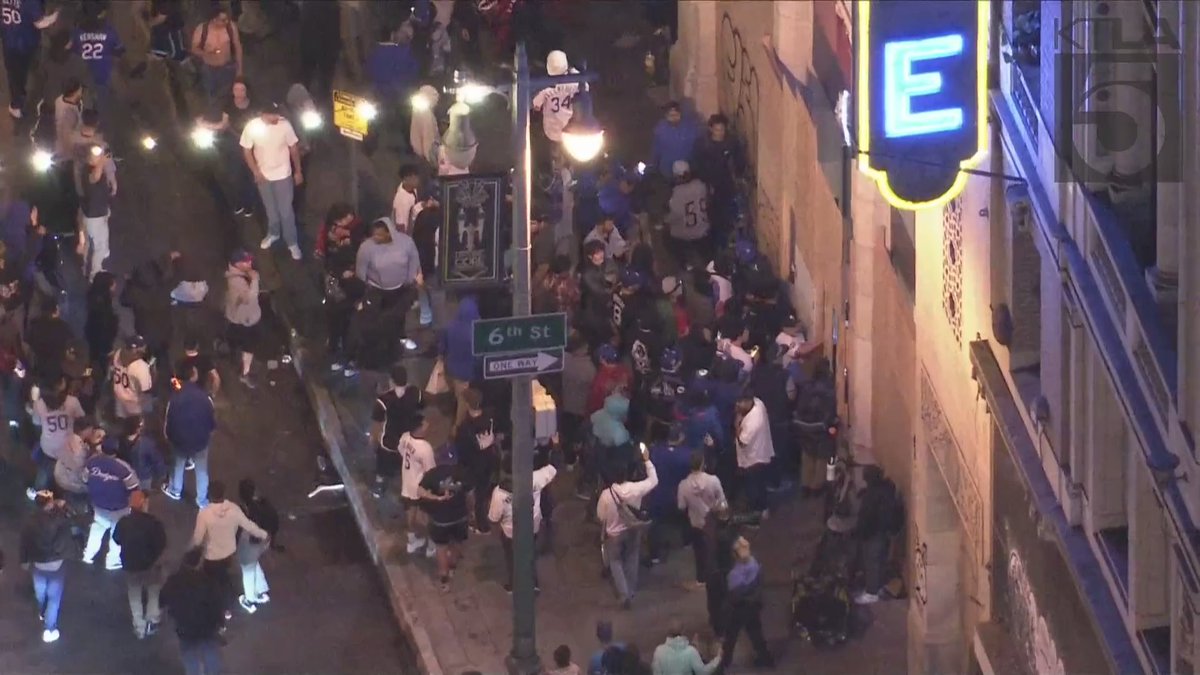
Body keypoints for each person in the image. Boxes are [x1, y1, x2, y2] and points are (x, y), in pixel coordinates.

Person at [190, 481, 267, 618]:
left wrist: (191, 549)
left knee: (213, 582)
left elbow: (197, 538)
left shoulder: (204, 514)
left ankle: (218, 607)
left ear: (209, 495)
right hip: (229, 553)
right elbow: (249, 525)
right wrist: (263, 534)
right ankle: (227, 609)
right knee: (224, 579)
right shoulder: (234, 509)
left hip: (211, 556)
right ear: (224, 494)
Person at [596, 444, 659, 608]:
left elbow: (600, 516)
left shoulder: (606, 495)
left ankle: (624, 595)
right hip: (633, 529)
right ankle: (631, 590)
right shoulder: (635, 488)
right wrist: (647, 460)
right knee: (632, 558)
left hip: (614, 535)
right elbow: (654, 480)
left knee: (615, 562)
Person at [241, 103, 303, 260]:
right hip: (264, 176)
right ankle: (274, 233)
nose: (277, 117)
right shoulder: (252, 127)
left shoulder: (285, 125)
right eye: (273, 115)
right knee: (271, 209)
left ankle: (292, 242)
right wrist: (256, 171)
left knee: (286, 212)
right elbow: (247, 150)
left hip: (283, 175)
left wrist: (298, 171)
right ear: (264, 114)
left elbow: (294, 148)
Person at [488, 451, 556, 592]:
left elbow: (494, 517)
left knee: (512, 559)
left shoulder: (500, 493)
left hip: (511, 532)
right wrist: (555, 446)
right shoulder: (535, 478)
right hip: (532, 527)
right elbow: (552, 469)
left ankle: (514, 585)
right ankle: (533, 583)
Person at [355, 218, 423, 353]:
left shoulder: (406, 243)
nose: (376, 237)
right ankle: (379, 344)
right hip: (376, 289)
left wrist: (410, 280)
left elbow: (413, 261)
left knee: (399, 316)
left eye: (379, 234)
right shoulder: (366, 248)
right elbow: (361, 269)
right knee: (377, 317)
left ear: (389, 233)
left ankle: (401, 338)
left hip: (400, 288)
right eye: (374, 234)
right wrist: (364, 286)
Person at [161, 548, 226, 675]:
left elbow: (162, 600)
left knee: (190, 658)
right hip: (207, 627)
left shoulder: (173, 580)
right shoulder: (208, 581)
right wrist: (220, 622)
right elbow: (217, 604)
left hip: (185, 627)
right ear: (200, 562)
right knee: (211, 653)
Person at [112, 490, 167, 639]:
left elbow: (116, 538)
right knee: (153, 591)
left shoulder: (124, 522)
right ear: (144, 504)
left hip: (130, 565)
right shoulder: (154, 523)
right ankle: (152, 619)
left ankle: (139, 626)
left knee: (134, 594)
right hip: (151, 565)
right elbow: (162, 543)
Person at [317, 203, 364, 374]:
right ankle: (337, 354)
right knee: (337, 325)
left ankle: (347, 358)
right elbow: (329, 264)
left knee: (349, 329)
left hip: (349, 293)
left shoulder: (356, 230)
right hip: (338, 294)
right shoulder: (332, 243)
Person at [19, 490, 72, 642]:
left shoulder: (30, 522)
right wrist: (62, 507)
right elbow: (69, 523)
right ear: (49, 502)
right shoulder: (59, 518)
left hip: (38, 563)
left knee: (40, 591)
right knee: (54, 598)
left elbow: (24, 543)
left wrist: (24, 561)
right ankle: (49, 629)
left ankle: (42, 612)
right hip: (56, 563)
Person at [163, 360, 216, 505]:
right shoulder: (206, 398)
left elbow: (169, 424)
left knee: (178, 465)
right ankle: (202, 499)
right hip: (200, 441)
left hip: (180, 442)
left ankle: (175, 490)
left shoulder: (174, 399)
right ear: (194, 376)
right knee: (202, 470)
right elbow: (211, 423)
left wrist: (170, 439)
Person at [81, 436, 138, 569]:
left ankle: (88, 555)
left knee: (97, 529)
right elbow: (134, 487)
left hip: (98, 505)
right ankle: (112, 561)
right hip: (120, 508)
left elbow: (84, 479)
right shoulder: (123, 467)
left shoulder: (92, 462)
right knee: (116, 533)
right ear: (116, 449)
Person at [369, 364, 425, 497]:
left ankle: (379, 486)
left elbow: (377, 425)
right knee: (405, 464)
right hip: (408, 439)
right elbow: (421, 407)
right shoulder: (415, 393)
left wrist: (373, 439)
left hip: (389, 442)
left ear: (391, 380)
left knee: (382, 466)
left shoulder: (383, 401)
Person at [719, 536, 774, 669]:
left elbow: (734, 596)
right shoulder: (754, 564)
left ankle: (723, 664)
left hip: (739, 608)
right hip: (753, 605)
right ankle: (766, 660)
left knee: (731, 636)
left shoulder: (734, 575)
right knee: (756, 634)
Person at [419, 453, 471, 592]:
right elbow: (470, 494)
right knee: (458, 542)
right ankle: (452, 566)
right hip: (460, 516)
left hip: (441, 519)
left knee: (441, 548)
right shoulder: (462, 473)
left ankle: (444, 579)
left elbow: (420, 491)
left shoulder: (433, 474)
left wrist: (435, 498)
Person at [26, 377, 84, 498]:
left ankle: (38, 493)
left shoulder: (39, 403)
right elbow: (80, 417)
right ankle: (63, 494)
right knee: (66, 472)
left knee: (45, 471)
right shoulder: (72, 401)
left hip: (49, 447)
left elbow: (36, 422)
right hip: (68, 448)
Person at [677, 449, 726, 589]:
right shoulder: (713, 480)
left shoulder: (683, 485)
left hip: (696, 523)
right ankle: (718, 576)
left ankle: (701, 579)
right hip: (713, 520)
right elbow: (722, 501)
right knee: (715, 549)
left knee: (699, 553)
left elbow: (681, 506)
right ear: (703, 463)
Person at [646, 425, 694, 566]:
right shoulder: (687, 455)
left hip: (659, 496)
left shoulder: (655, 452)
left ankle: (654, 555)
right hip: (680, 496)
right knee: (686, 518)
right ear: (680, 437)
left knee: (655, 525)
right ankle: (687, 542)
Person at [1, 0, 58, 118]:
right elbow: (39, 23)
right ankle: (18, 104)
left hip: (9, 40)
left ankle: (17, 103)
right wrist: (55, 16)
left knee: (14, 75)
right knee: (22, 74)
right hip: (26, 42)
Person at [853, 465, 900, 605]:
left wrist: (860, 531)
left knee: (872, 562)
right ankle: (877, 588)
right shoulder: (886, 490)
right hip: (883, 532)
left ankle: (871, 593)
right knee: (880, 561)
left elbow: (868, 516)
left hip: (873, 533)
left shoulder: (873, 495)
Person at [455, 387, 499, 533]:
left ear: (468, 404)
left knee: (478, 496)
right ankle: (493, 510)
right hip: (491, 460)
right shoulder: (490, 416)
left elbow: (462, 450)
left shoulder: (465, 427)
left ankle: (482, 526)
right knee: (487, 489)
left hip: (475, 466)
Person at [236, 478, 278, 612]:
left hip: (251, 542)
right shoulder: (264, 504)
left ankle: (250, 599)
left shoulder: (244, 510)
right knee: (254, 562)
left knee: (247, 568)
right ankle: (260, 590)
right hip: (264, 540)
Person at [440, 295, 480, 430]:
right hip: (467, 373)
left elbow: (442, 348)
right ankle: (457, 428)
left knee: (458, 395)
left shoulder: (450, 327)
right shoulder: (477, 332)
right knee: (463, 401)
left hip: (451, 369)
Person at [399, 415, 437, 556]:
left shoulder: (405, 437)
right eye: (424, 424)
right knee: (425, 518)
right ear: (419, 428)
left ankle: (412, 541)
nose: (427, 426)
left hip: (407, 482)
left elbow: (401, 451)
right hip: (420, 487)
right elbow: (431, 472)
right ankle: (431, 546)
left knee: (410, 512)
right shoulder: (425, 448)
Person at [190, 4, 243, 105]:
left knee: (228, 96)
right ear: (214, 19)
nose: (226, 22)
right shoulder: (202, 29)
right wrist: (206, 53)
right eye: (222, 20)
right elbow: (194, 48)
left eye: (227, 19)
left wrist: (239, 70)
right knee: (211, 96)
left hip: (227, 67)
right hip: (209, 69)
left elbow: (238, 47)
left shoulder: (231, 27)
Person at [224, 249, 261, 387]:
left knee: (234, 337)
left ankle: (229, 349)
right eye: (247, 262)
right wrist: (255, 279)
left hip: (235, 317)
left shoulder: (235, 274)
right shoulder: (238, 282)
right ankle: (245, 373)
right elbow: (250, 298)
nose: (250, 263)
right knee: (249, 346)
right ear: (238, 264)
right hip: (246, 320)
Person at [665, 160, 710, 270]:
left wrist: (664, 220)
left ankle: (684, 264)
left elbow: (675, 216)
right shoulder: (700, 185)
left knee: (666, 236)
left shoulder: (677, 193)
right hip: (704, 230)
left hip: (686, 235)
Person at [78, 141, 113, 279]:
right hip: (95, 216)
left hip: (99, 213)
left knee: (100, 243)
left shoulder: (92, 168)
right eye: (96, 155)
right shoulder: (89, 171)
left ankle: (94, 263)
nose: (100, 157)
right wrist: (102, 162)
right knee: (99, 247)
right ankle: (95, 274)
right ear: (89, 158)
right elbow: (95, 177)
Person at [734, 396, 773, 518]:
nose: (737, 405)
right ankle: (760, 507)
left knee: (755, 485)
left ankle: (759, 510)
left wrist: (737, 425)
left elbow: (742, 442)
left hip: (754, 457)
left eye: (740, 402)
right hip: (757, 452)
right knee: (759, 483)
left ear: (748, 401)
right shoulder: (758, 402)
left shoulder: (753, 421)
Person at [651, 101, 699, 180]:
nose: (674, 118)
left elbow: (695, 147)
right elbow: (656, 150)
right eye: (671, 115)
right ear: (666, 116)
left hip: (688, 170)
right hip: (668, 172)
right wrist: (654, 165)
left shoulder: (689, 127)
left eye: (676, 115)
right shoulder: (660, 130)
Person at [651, 621, 721, 675]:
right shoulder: (691, 651)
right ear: (683, 631)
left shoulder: (659, 651)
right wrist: (718, 658)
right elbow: (703, 672)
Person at [84, 271, 118, 380]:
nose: (115, 286)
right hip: (100, 351)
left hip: (90, 347)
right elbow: (104, 331)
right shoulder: (104, 310)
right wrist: (108, 351)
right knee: (99, 375)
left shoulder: (91, 299)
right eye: (113, 284)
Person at [111, 334, 154, 421]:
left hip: (120, 401)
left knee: (123, 427)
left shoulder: (118, 354)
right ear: (136, 350)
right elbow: (146, 390)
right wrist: (153, 374)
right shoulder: (141, 366)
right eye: (142, 346)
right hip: (135, 407)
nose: (145, 348)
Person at [121, 415, 166, 492]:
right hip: (144, 476)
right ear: (137, 429)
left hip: (128, 475)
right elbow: (157, 460)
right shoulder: (146, 443)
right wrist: (162, 474)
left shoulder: (121, 441)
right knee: (143, 494)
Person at [391, 164, 421, 236]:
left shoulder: (413, 189)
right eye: (414, 178)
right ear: (406, 179)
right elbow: (400, 227)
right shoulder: (401, 199)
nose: (417, 180)